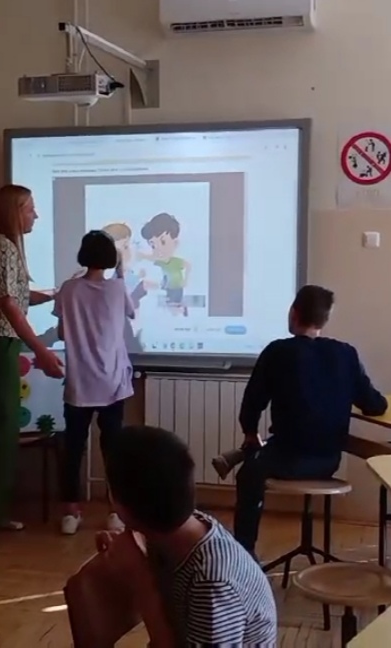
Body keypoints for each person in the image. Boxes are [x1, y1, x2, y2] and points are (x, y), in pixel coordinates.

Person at [227, 285, 387, 558]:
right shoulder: (346, 354)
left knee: (248, 474)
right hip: (329, 461)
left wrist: (250, 432)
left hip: (287, 459)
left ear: (294, 313)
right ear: (325, 318)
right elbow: (374, 405)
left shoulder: (277, 352)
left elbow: (252, 401)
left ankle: (245, 552)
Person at [96, 425, 277, 647]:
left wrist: (142, 580)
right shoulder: (185, 526)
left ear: (123, 508)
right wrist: (127, 548)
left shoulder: (212, 583)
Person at [0, 184, 63, 550]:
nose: (35, 215)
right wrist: (41, 351)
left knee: (5, 434)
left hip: (1, 344)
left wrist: (54, 293)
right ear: (14, 212)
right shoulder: (1, 248)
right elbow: (9, 306)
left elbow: (18, 296)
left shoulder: (9, 248)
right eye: (30, 209)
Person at [54, 230, 134, 536]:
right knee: (113, 450)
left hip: (79, 382)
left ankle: (70, 513)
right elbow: (130, 312)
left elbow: (62, 333)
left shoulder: (69, 289)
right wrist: (122, 272)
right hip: (113, 383)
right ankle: (115, 511)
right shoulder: (117, 288)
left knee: (73, 448)